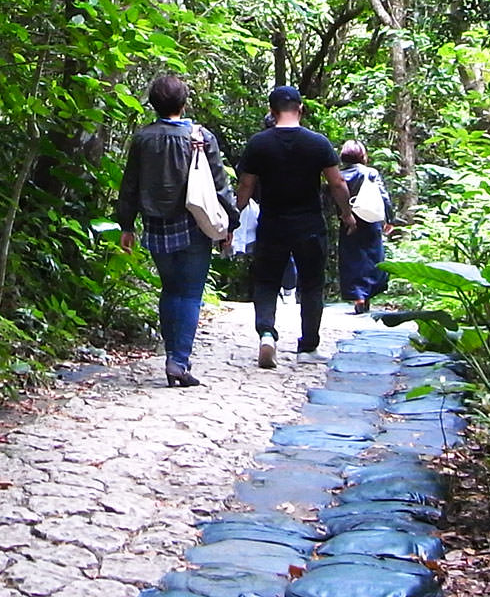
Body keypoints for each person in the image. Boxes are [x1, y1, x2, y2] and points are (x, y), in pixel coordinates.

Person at [116, 73, 239, 387]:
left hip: (156, 224)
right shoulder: (201, 136)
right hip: (194, 223)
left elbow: (129, 185)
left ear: (153, 102)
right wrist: (229, 223)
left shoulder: (143, 138)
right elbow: (219, 186)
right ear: (183, 102)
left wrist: (126, 224)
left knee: (170, 289)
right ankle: (178, 361)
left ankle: (173, 354)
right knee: (189, 293)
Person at [234, 84, 353, 368]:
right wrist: (347, 213)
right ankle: (308, 347)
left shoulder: (259, 144)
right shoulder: (318, 143)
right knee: (312, 284)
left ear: (272, 112)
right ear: (300, 108)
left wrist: (231, 217)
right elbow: (337, 183)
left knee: (266, 281)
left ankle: (266, 333)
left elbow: (245, 186)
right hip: (309, 223)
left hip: (272, 222)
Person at [337, 140, 392, 314]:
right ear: (362, 155)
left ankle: (358, 296)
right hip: (371, 219)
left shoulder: (339, 175)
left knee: (351, 258)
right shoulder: (371, 173)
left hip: (348, 220)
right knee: (373, 258)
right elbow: (383, 197)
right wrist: (389, 219)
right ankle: (367, 294)